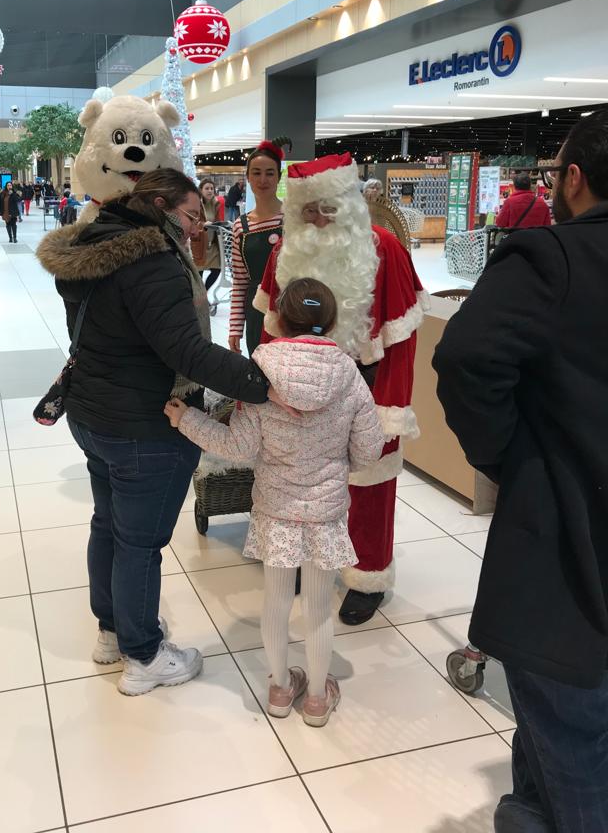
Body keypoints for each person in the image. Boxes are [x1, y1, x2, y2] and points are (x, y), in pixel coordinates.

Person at [37, 168, 290, 697]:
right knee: (141, 543)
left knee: (109, 525)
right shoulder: (152, 262)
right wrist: (258, 380)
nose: (198, 229)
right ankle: (145, 656)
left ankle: (113, 632)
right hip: (142, 424)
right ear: (158, 204)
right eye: (193, 216)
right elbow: (186, 352)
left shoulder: (95, 244)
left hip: (91, 413)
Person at [433, 112, 608, 832]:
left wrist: (508, 457)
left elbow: (466, 359)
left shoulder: (552, 259)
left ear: (572, 178)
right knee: (550, 749)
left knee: (575, 749)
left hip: (569, 559)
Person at [166, 277, 384, 726]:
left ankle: (281, 690)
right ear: (331, 321)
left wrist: (187, 419)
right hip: (324, 513)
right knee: (319, 607)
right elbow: (367, 452)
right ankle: (319, 699)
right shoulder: (349, 377)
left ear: (278, 318)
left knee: (277, 601)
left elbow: (240, 448)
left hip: (276, 510)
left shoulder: (259, 377)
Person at [254, 153, 428, 623]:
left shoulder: (385, 249)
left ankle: (366, 575)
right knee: (299, 484)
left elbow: (402, 338)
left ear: (348, 203)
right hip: (297, 391)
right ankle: (299, 560)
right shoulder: (283, 252)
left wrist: (391, 407)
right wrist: (267, 391)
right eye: (307, 209)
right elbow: (271, 327)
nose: (315, 219)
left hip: (368, 389)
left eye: (326, 208)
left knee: (368, 487)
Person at [229, 143, 284, 356]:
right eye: (257, 173)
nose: (263, 180)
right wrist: (235, 328)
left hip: (290, 309)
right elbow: (240, 282)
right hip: (256, 312)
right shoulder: (240, 227)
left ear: (279, 177)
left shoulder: (294, 218)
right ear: (248, 178)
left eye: (270, 173)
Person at [190, 177, 224, 302]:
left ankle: (203, 294)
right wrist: (203, 224)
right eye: (207, 188)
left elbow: (218, 220)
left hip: (213, 243)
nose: (210, 191)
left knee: (217, 270)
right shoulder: (196, 204)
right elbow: (192, 220)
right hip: (200, 243)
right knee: (199, 273)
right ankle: (199, 299)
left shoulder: (216, 203)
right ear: (201, 190)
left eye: (212, 188)